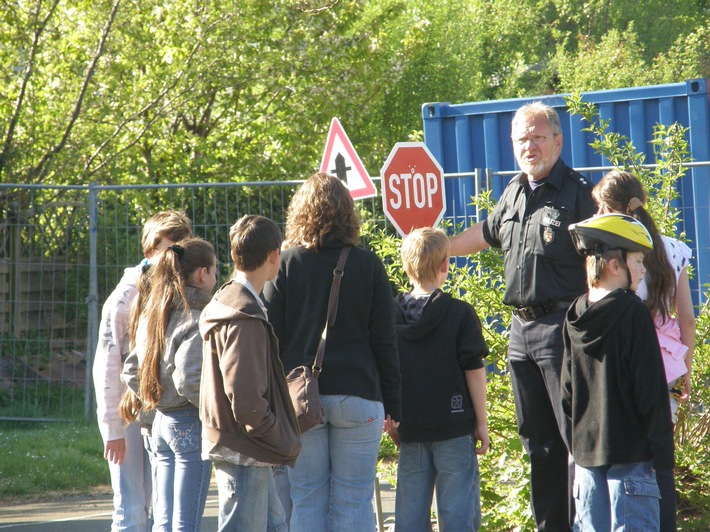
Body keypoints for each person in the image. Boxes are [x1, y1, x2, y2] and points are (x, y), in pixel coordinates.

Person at [449, 101, 595, 531]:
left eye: (537, 137)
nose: (529, 146)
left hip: (563, 327)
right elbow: (485, 234)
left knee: (574, 439)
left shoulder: (580, 194)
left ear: (558, 140)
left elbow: (601, 261)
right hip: (521, 332)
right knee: (538, 443)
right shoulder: (513, 192)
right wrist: (442, 247)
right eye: (521, 140)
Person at [262, 173, 401, 532]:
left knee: (307, 497)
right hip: (360, 395)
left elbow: (270, 338)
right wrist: (394, 406)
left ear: (300, 213)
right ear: (349, 214)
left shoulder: (285, 265)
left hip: (302, 400)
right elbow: (385, 342)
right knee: (354, 499)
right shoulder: (368, 264)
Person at [593, 169, 695, 531]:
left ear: (605, 206)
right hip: (666, 365)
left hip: (622, 368)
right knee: (659, 459)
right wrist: (687, 370)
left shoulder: (610, 253)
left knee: (624, 460)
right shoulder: (673, 249)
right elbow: (687, 319)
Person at [562, 213, 674, 531]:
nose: (642, 270)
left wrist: (576, 447)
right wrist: (663, 455)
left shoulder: (574, 314)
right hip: (633, 461)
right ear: (615, 266)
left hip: (586, 463)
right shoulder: (633, 312)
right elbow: (650, 389)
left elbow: (566, 393)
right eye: (638, 261)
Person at [199, 214, 301, 532]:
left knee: (276, 524)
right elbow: (246, 402)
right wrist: (276, 434)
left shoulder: (230, 301)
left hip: (243, 444)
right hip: (245, 446)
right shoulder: (243, 315)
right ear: (275, 255)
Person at [93, 210, 192, 531]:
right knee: (132, 509)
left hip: (164, 412)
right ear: (150, 250)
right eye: (169, 247)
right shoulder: (122, 299)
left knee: (165, 507)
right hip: (129, 413)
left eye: (183, 249)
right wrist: (113, 429)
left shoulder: (181, 290)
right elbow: (107, 367)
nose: (176, 256)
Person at [386, 227, 489, 532]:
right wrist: (480, 422)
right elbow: (474, 370)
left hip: (411, 427)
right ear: (445, 265)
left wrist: (391, 416)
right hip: (454, 427)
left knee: (410, 516)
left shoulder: (389, 316)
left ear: (406, 267)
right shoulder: (460, 314)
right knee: (458, 515)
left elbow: (387, 370)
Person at [121, 237, 216, 531]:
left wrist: (157, 397)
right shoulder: (197, 317)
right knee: (186, 522)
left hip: (160, 423)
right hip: (189, 422)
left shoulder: (155, 314)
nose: (215, 276)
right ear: (202, 274)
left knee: (164, 519)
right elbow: (190, 378)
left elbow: (131, 369)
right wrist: (214, 409)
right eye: (214, 270)